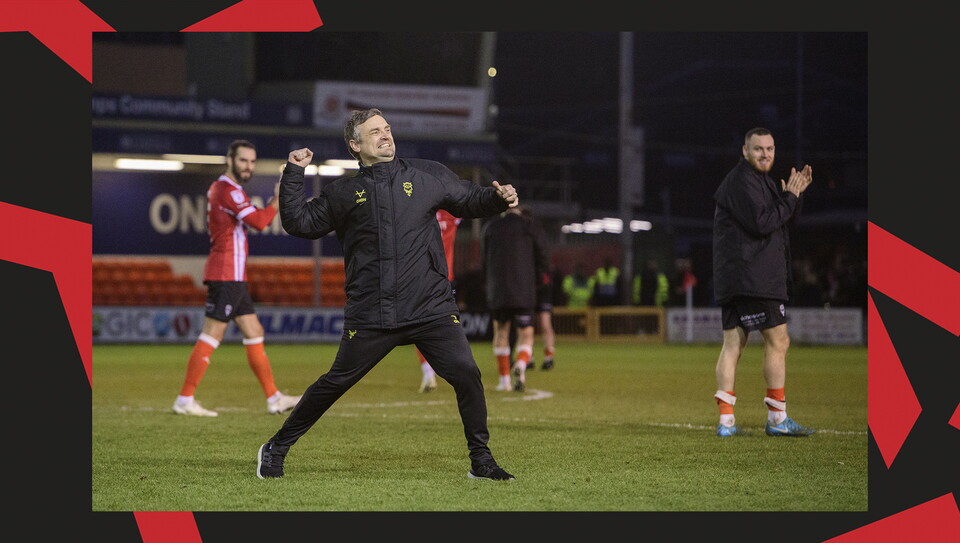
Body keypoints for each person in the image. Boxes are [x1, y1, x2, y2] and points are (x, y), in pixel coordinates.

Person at [256, 108, 519, 481]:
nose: (386, 136)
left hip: (430, 307)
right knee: (335, 383)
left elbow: (468, 198)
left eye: (387, 129)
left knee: (466, 373)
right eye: (375, 132)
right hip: (373, 313)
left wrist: (497, 199)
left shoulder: (425, 174)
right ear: (355, 145)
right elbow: (299, 222)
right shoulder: (345, 192)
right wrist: (295, 173)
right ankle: (276, 447)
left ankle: (481, 461)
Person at [173, 139, 301, 417]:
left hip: (234, 276)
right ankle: (184, 399)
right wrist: (278, 201)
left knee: (254, 332)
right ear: (229, 160)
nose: (248, 166)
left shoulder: (227, 190)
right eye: (243, 160)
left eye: (252, 161)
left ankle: (274, 398)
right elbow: (259, 222)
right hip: (225, 274)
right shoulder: (227, 190)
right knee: (211, 335)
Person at [711, 127, 815, 437]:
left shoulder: (758, 182)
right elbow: (763, 223)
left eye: (770, 148)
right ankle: (777, 419)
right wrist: (789, 197)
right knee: (778, 341)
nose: (765, 154)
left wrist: (790, 198)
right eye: (758, 149)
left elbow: (779, 224)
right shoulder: (744, 181)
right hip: (754, 277)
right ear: (745, 151)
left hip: (738, 277)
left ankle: (726, 422)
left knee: (733, 344)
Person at [481, 205, 549, 392]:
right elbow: (543, 258)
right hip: (524, 290)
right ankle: (520, 364)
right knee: (526, 334)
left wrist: (488, 286)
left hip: (498, 291)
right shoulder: (530, 227)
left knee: (501, 333)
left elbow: (484, 261)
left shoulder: (491, 227)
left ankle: (504, 381)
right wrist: (538, 283)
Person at [416, 209, 462, 393]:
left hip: (421, 277)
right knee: (449, 325)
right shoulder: (452, 214)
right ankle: (455, 371)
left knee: (418, 326)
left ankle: (428, 373)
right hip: (445, 278)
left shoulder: (419, 211)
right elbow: (470, 199)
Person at [520, 205, 555, 370]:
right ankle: (547, 357)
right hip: (543, 284)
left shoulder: (525, 235)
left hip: (532, 284)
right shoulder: (539, 233)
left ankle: (530, 357)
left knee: (529, 323)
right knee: (544, 322)